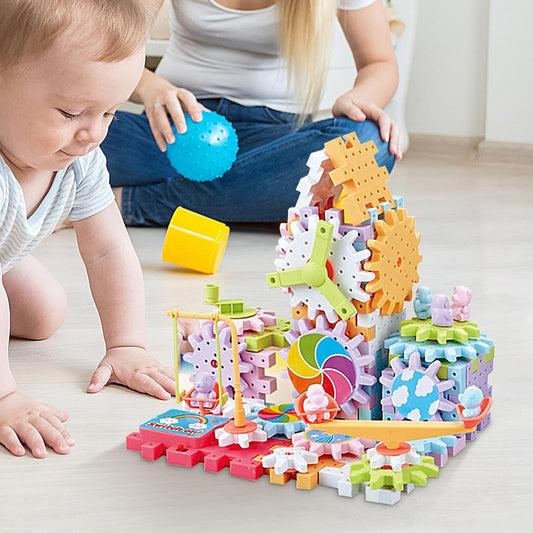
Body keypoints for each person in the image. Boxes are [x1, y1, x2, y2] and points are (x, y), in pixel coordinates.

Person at [0, 0, 176, 459]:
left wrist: (127, 345)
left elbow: (108, 252)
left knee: (45, 315)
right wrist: (5, 399)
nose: (93, 133)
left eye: (110, 113)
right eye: (71, 112)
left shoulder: (80, 160)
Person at [101, 0, 401, 226]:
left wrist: (358, 99)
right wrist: (150, 86)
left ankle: (128, 203)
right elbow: (109, 48)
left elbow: (379, 62)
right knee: (73, 129)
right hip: (175, 128)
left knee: (368, 143)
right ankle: (257, 196)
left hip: (275, 140)